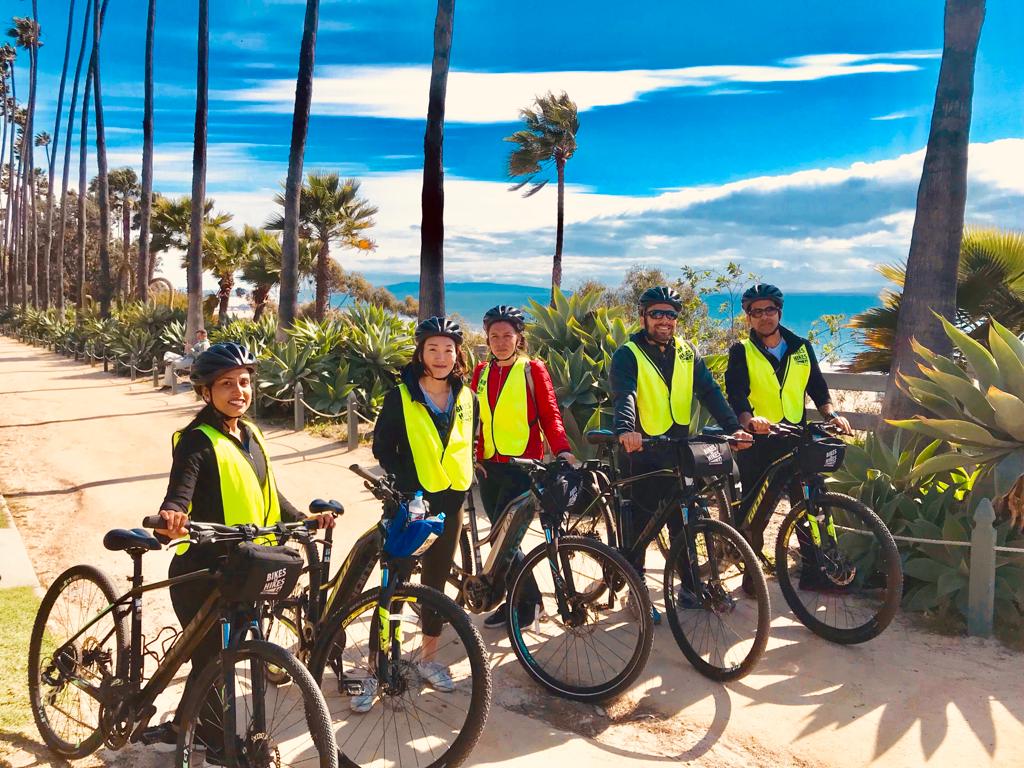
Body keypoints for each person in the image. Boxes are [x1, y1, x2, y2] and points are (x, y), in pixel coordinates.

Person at [152, 342, 334, 758]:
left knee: (218, 658)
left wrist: (304, 519)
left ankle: (186, 722)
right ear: (205, 392)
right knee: (211, 660)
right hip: (203, 571)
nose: (239, 391)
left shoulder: (249, 434)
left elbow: (268, 493)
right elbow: (180, 491)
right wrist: (172, 515)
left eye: (245, 382)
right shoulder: (197, 441)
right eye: (227, 384)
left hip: (247, 566)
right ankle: (215, 744)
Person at [610, 286, 752, 620]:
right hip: (642, 449)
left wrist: (732, 428)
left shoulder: (688, 352)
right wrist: (627, 429)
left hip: (679, 448)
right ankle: (637, 589)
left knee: (686, 519)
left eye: (670, 315)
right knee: (640, 525)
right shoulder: (628, 353)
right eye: (657, 313)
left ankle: (691, 587)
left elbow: (710, 392)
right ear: (644, 317)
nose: (664, 320)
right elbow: (624, 394)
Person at [371, 316, 477, 708]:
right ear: (421, 352)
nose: (441, 356)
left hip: (452, 500)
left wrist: (467, 470)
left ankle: (430, 659)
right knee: (394, 581)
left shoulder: (466, 396)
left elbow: (469, 439)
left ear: (457, 354)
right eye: (433, 348)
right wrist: (407, 486)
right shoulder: (401, 395)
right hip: (410, 501)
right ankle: (381, 662)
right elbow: (383, 448)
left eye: (448, 349)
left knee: (434, 582)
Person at [724, 283, 852, 588]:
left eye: (769, 310)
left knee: (808, 504)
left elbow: (818, 388)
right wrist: (749, 420)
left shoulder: (802, 348)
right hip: (760, 441)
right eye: (757, 312)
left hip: (795, 437)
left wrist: (831, 414)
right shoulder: (742, 350)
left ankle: (814, 572)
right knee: (757, 508)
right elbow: (736, 393)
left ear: (779, 312)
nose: (764, 317)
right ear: (749, 317)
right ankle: (752, 576)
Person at [471, 305, 576, 629]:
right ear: (487, 339)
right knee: (499, 541)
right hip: (488, 468)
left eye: (507, 335)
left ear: (519, 338)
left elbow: (550, 415)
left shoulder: (533, 369)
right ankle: (516, 599)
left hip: (523, 468)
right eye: (494, 336)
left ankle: (528, 603)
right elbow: (473, 420)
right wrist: (473, 455)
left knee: (509, 539)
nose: (501, 341)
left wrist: (562, 450)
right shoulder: (481, 372)